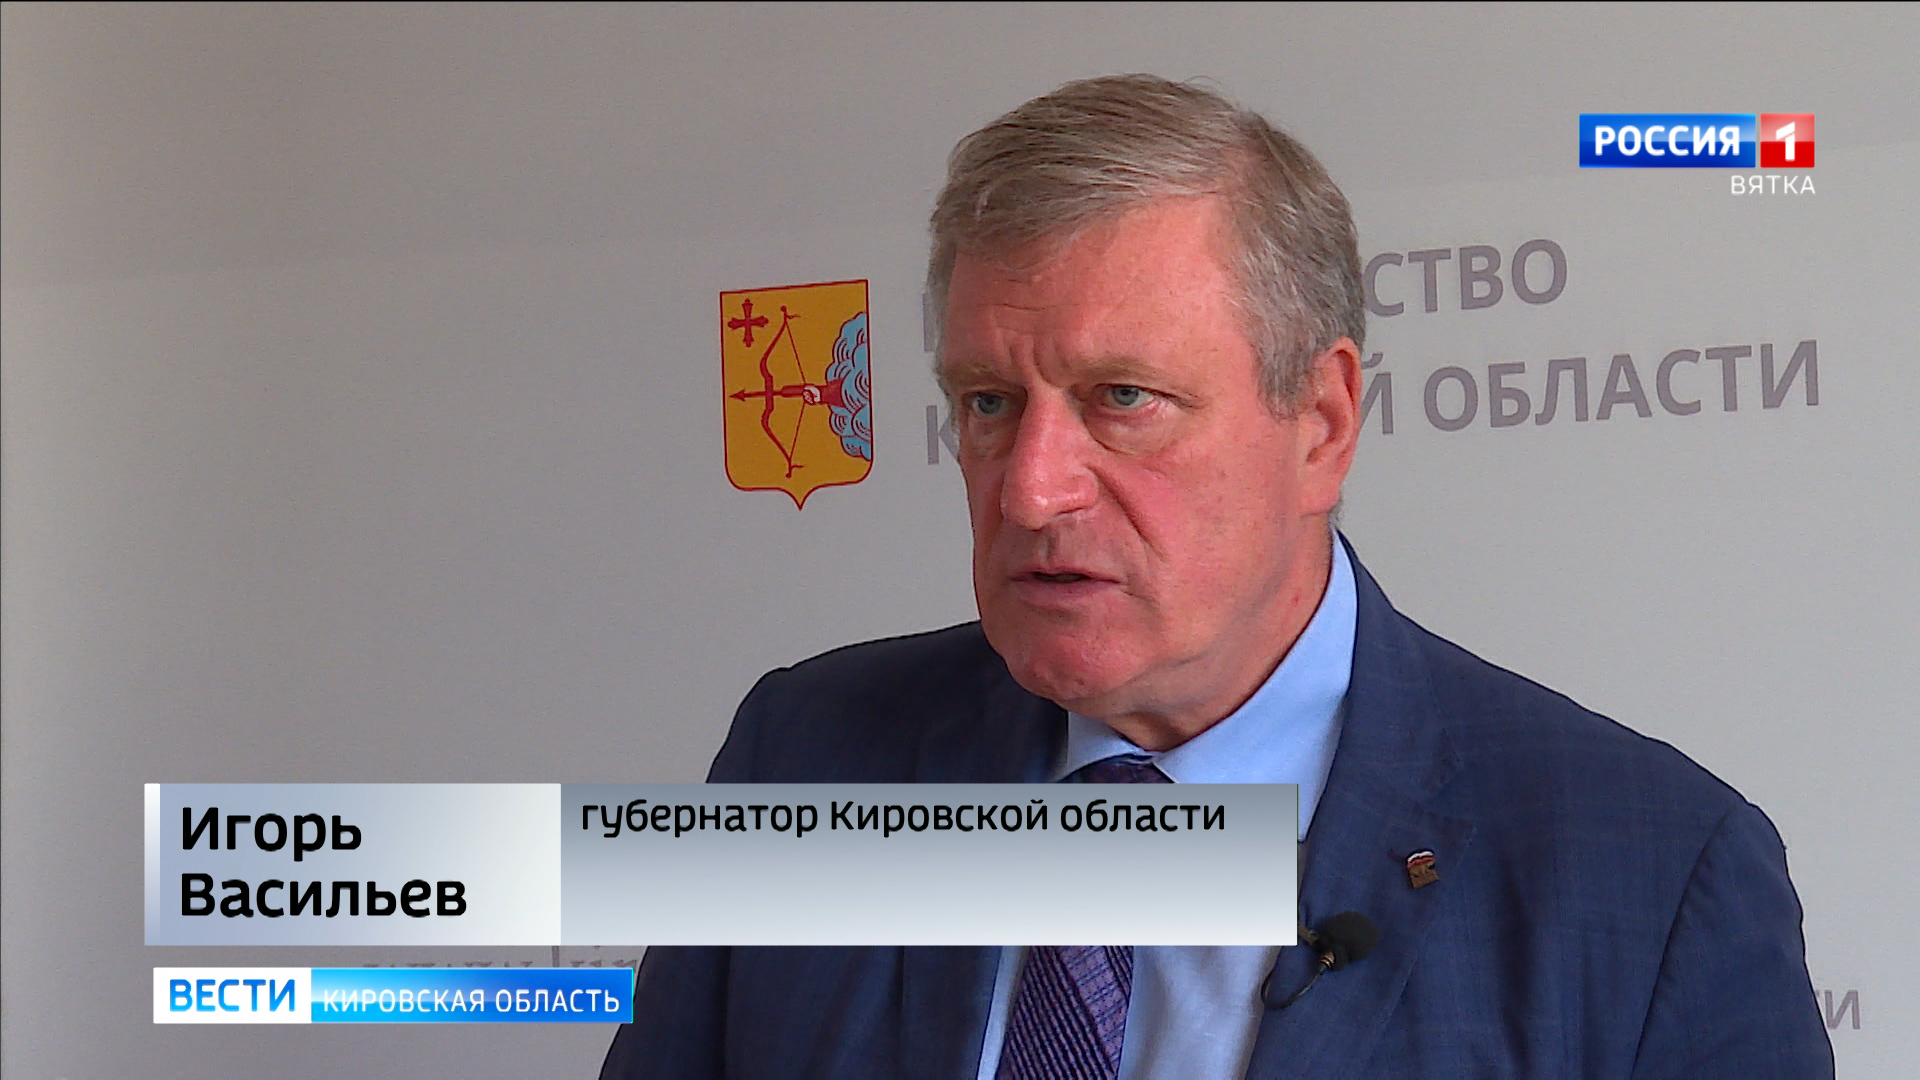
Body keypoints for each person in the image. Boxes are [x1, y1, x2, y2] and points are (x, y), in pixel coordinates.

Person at [603, 75, 1830, 1079]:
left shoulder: (1652, 881)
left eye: (1122, 398)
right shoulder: (807, 756)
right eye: (989, 403)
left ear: (1322, 423)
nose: (1031, 491)